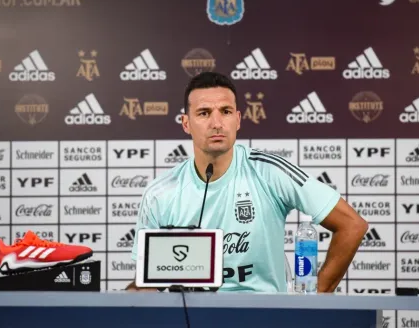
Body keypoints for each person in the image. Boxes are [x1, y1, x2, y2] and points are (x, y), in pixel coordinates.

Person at [126, 71, 368, 293]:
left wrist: (316, 298)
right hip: (193, 321)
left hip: (265, 319)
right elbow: (148, 282)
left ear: (238, 120)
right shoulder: (161, 193)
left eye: (226, 111)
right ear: (186, 123)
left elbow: (352, 225)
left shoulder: (270, 171)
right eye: (204, 113)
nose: (217, 123)